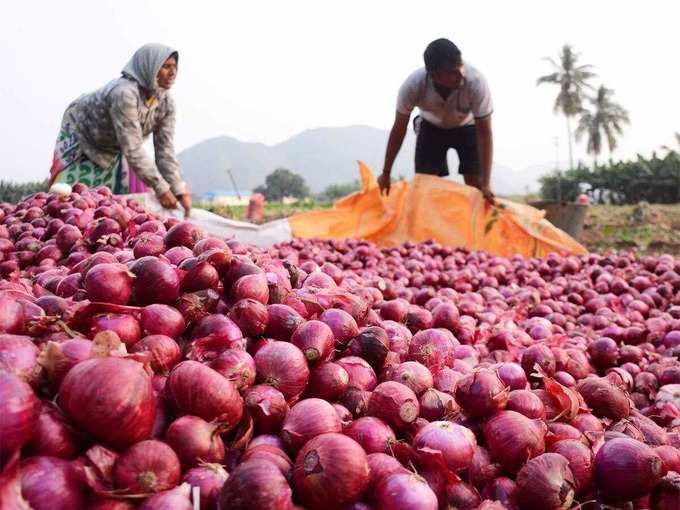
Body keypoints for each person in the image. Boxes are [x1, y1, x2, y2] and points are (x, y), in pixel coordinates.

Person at [49, 43, 191, 217]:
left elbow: (165, 149)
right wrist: (161, 189)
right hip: (82, 135)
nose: (173, 73)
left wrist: (177, 190)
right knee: (70, 201)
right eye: (166, 66)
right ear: (150, 66)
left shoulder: (165, 103)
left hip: (117, 144)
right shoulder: (124, 93)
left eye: (175, 67)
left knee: (119, 209)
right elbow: (133, 148)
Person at [378, 38, 495, 202]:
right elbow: (398, 129)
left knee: (477, 187)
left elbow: (485, 133)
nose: (460, 74)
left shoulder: (475, 81)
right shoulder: (413, 85)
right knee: (425, 188)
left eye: (460, 66)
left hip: (468, 126)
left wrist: (486, 183)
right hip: (430, 128)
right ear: (435, 76)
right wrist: (386, 172)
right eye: (453, 72)